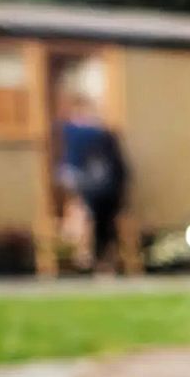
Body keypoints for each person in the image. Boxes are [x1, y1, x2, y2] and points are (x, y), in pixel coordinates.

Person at [58, 94, 127, 272]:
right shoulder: (97, 133)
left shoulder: (87, 134)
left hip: (101, 188)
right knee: (90, 218)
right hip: (97, 188)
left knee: (95, 221)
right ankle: (91, 256)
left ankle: (92, 257)